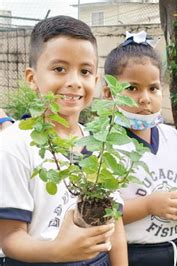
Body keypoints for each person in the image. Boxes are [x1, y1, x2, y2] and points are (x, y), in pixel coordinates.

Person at [0, 16, 126, 265]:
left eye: (85, 71)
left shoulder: (101, 144)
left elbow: (115, 224)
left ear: (96, 81)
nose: (74, 82)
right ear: (31, 78)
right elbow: (10, 237)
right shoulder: (14, 145)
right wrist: (60, 251)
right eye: (59, 69)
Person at [103, 32, 177, 266]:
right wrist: (150, 205)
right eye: (132, 88)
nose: (145, 99)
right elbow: (101, 213)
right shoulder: (105, 145)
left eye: (153, 88)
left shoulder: (172, 137)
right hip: (130, 253)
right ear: (109, 93)